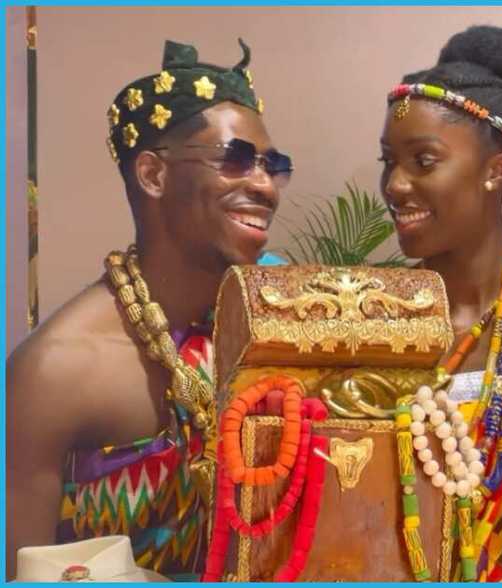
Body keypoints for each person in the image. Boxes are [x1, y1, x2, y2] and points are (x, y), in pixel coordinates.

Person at [6, 39, 290, 580]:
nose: (264, 185)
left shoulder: (275, 316)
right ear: (154, 176)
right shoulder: (54, 373)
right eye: (236, 160)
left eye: (274, 166)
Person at [380, 23, 502, 582]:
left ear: (496, 170)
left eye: (423, 161)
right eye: (389, 161)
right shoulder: (369, 319)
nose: (394, 185)